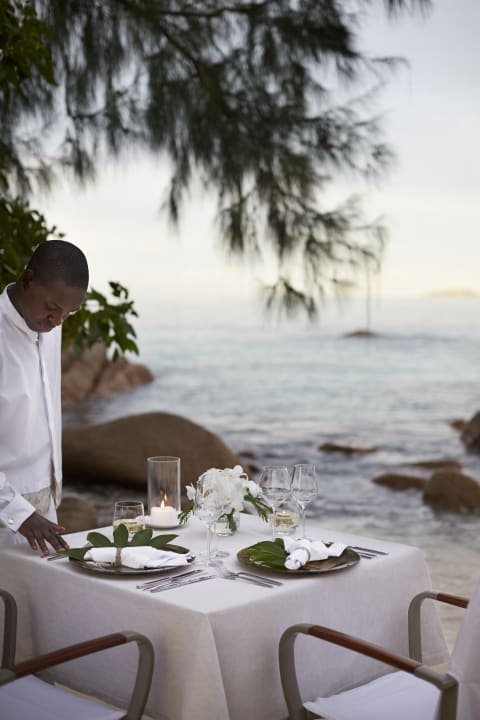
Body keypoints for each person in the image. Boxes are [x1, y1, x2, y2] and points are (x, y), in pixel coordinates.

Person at [0, 240, 89, 554]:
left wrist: (45, 504)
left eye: (69, 312)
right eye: (52, 308)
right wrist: (18, 512)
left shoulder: (48, 324)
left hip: (44, 511)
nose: (58, 321)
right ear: (28, 280)